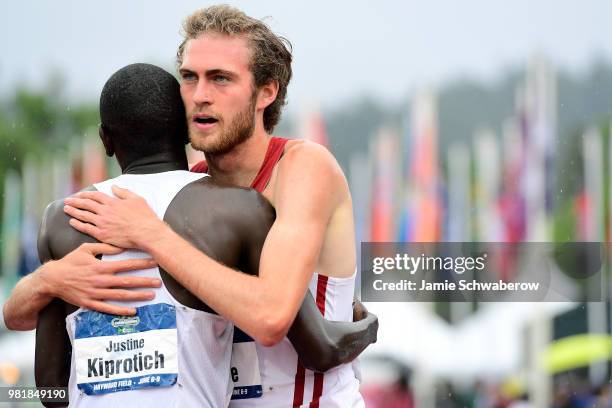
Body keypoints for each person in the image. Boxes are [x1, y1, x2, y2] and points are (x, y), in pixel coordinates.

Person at [33, 63, 377, 407]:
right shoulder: (236, 210)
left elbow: (50, 385)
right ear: (186, 129)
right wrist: (367, 326)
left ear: (105, 140)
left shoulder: (61, 221)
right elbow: (319, 348)